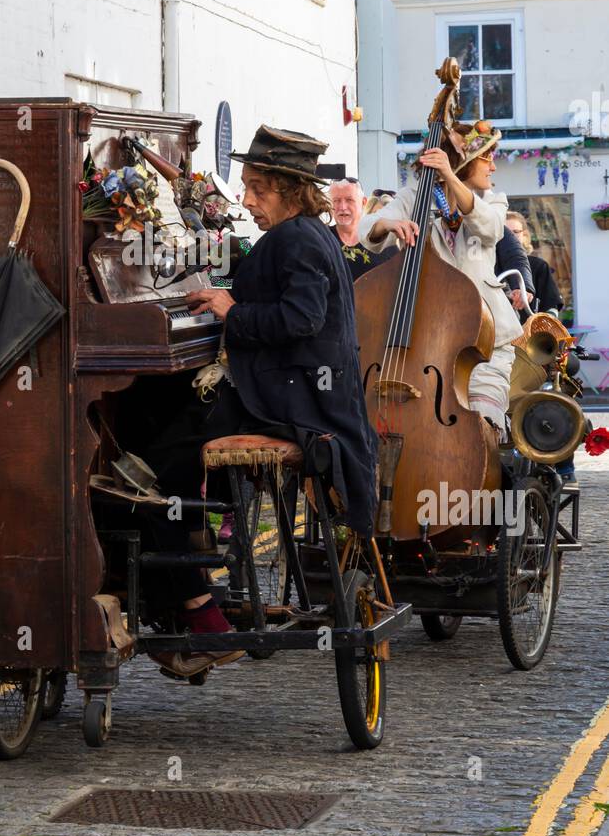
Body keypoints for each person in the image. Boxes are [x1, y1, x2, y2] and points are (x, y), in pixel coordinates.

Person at [131, 124, 378, 677]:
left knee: (149, 471)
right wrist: (229, 296)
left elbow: (302, 319)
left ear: (290, 191)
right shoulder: (304, 235)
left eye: (257, 189)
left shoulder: (296, 241)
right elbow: (279, 295)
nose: (245, 199)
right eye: (245, 187)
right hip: (290, 395)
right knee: (167, 426)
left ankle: (203, 616)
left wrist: (228, 311)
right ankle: (199, 548)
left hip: (295, 410)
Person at [357, 120, 522, 434]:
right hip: (434, 340)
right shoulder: (415, 197)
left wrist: (449, 175)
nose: (494, 167)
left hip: (485, 343)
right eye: (489, 158)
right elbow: (367, 229)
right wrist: (389, 226)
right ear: (467, 160)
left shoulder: (493, 201)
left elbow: (490, 229)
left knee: (479, 428)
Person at [329, 177, 395, 283]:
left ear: (363, 202)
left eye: (349, 200)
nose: (342, 207)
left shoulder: (385, 242)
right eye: (336, 201)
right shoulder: (320, 238)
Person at [505, 211, 563, 316]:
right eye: (505, 233)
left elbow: (551, 306)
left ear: (525, 235)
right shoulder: (489, 265)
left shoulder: (539, 266)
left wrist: (544, 326)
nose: (510, 237)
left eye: (515, 232)